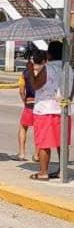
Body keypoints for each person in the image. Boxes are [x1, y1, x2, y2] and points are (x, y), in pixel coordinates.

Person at [26, 41, 72, 181]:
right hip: (64, 110)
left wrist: (30, 70)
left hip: (45, 109)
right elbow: (71, 92)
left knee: (44, 142)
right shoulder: (69, 68)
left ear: (49, 54)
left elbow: (35, 86)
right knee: (62, 142)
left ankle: (43, 172)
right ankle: (61, 170)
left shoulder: (47, 68)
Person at [14, 49, 43, 161]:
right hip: (41, 105)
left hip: (29, 104)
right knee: (39, 130)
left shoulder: (26, 72)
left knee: (23, 127)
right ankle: (36, 155)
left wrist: (24, 101)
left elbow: (21, 90)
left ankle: (21, 153)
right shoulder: (45, 72)